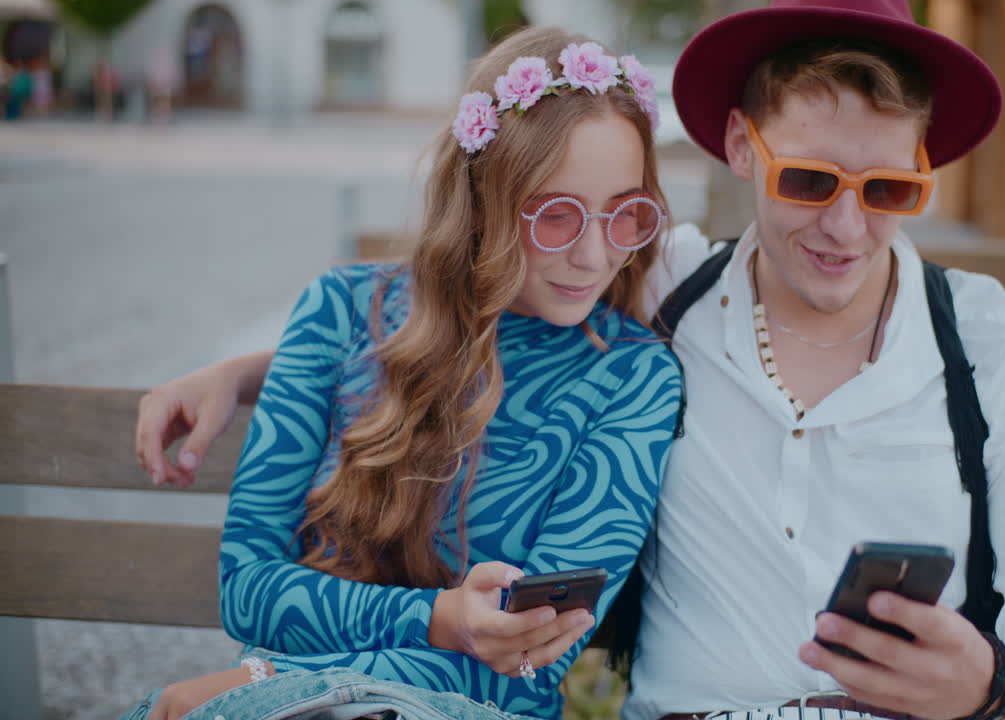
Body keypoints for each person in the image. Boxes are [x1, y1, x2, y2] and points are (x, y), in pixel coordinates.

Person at [137, 2, 1005, 719]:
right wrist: (250, 372)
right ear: (740, 148)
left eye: (890, 191)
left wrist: (989, 687)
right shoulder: (675, 294)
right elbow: (430, 317)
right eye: (811, 178)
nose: (844, 225)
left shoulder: (1000, 352)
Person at [125, 25, 681, 720]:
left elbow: (532, 656)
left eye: (625, 214)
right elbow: (248, 589)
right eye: (556, 215)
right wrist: (438, 619)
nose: (597, 257)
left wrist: (267, 680)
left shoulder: (634, 378)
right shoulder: (339, 311)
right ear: (482, 202)